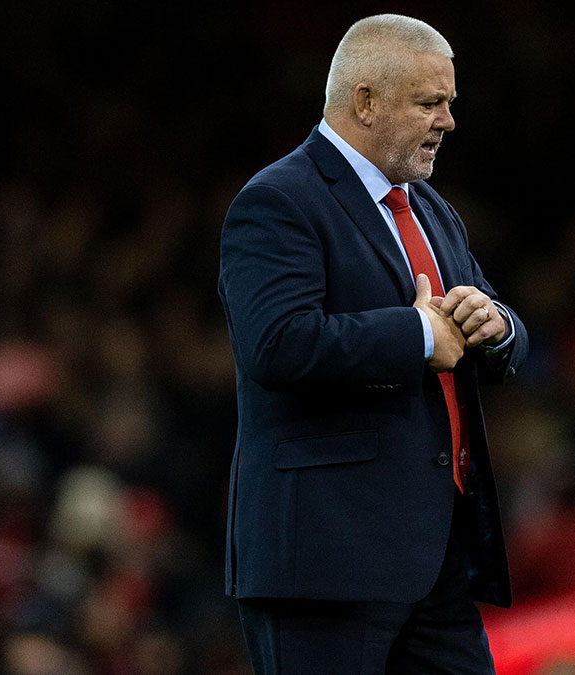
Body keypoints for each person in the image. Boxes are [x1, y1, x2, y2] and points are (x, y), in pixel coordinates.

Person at [217, 14, 527, 674]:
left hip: (432, 559)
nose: (447, 120)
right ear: (365, 100)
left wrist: (494, 324)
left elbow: (496, 316)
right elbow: (275, 343)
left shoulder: (429, 207)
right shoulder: (278, 200)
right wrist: (416, 333)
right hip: (325, 565)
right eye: (429, 102)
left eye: (450, 102)